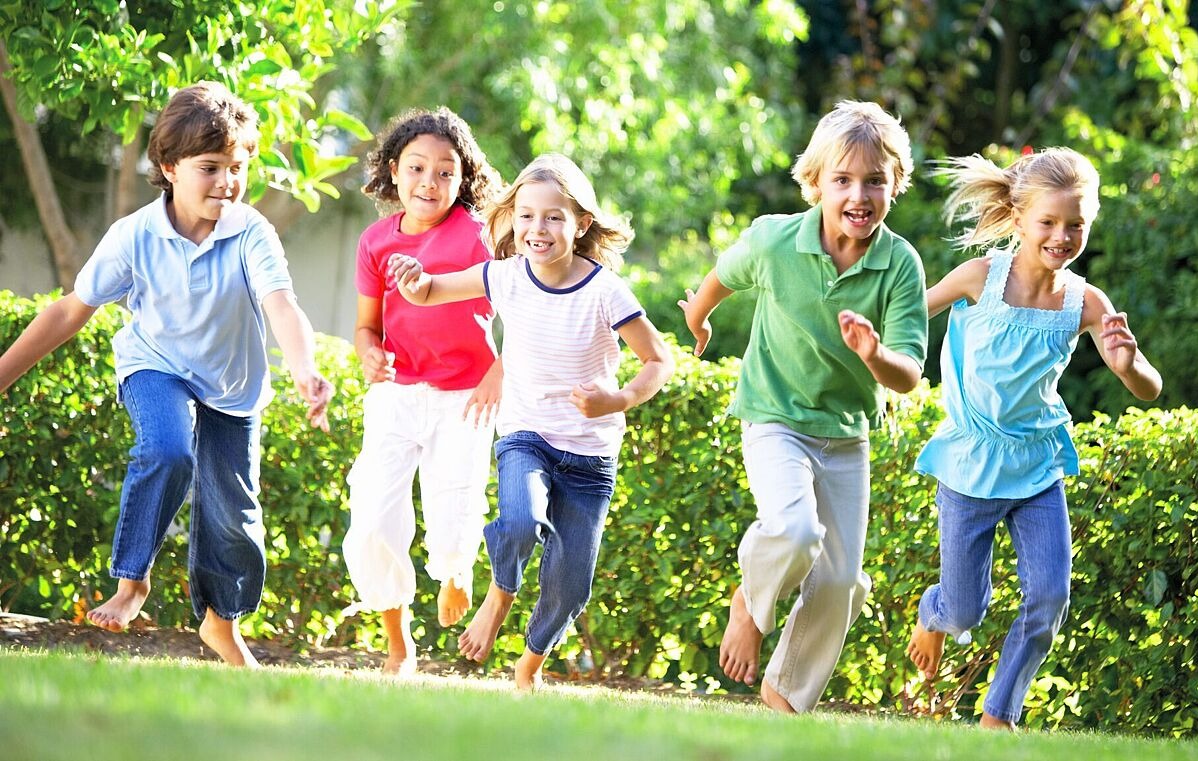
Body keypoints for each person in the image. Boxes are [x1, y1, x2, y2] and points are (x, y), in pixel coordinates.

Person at [0, 81, 333, 667]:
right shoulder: (134, 235)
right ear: (169, 166)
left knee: (235, 519)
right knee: (169, 449)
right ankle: (132, 584)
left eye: (238, 166)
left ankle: (219, 625)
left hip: (232, 389)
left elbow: (282, 304)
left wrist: (305, 369)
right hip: (156, 367)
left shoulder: (252, 231)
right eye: (211, 167)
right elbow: (68, 312)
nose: (227, 181)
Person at [678, 100, 929, 713]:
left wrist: (872, 354)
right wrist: (696, 317)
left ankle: (785, 698)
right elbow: (722, 275)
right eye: (842, 180)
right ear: (815, 182)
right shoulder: (774, 240)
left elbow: (909, 374)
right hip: (774, 419)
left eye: (875, 180)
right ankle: (750, 604)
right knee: (794, 530)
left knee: (843, 581)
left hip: (846, 435)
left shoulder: (900, 266)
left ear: (896, 184)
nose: (859, 194)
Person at [388, 153, 674, 690]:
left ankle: (529, 668)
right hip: (528, 436)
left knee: (571, 584)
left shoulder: (605, 290)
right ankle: (499, 596)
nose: (536, 229)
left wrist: (617, 400)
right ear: (511, 219)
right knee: (520, 520)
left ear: (580, 223)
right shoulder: (506, 277)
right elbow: (430, 290)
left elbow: (659, 359)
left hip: (590, 456)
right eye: (524, 216)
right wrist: (412, 279)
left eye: (552, 217)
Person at [905, 147, 1162, 729]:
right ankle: (934, 612)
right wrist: (869, 343)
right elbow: (911, 314)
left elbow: (1149, 387)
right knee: (966, 610)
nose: (1062, 234)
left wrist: (1127, 365)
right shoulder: (980, 278)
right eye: (1048, 221)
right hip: (971, 465)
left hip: (1038, 467)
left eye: (1076, 224)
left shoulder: (1085, 302)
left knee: (1049, 598)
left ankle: (1000, 713)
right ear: (1018, 218)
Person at [340, 107, 504, 675]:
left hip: (466, 396)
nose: (429, 183)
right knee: (373, 516)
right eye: (416, 168)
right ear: (393, 171)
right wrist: (366, 351)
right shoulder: (375, 242)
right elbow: (367, 326)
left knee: (454, 505)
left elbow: (527, 307)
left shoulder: (480, 236)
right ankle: (398, 644)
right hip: (398, 391)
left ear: (464, 179)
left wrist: (498, 372)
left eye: (444, 172)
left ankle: (456, 572)